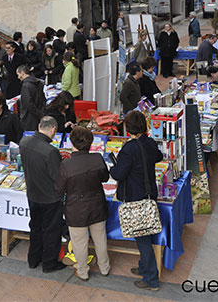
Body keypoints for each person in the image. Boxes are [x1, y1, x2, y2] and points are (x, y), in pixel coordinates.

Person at [109, 111, 163, 291]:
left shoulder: (129, 148)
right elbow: (159, 157)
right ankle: (143, 266)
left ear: (128, 127)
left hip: (135, 196)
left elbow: (118, 173)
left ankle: (151, 279)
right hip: (149, 194)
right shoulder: (149, 142)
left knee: (142, 239)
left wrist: (114, 166)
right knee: (145, 234)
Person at [55, 126, 110, 281]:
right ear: (90, 142)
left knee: (79, 242)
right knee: (100, 238)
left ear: (72, 142)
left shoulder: (66, 165)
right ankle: (105, 267)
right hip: (97, 205)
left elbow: (59, 189)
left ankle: (83, 271)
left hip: (76, 210)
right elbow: (105, 178)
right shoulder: (98, 158)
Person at [19, 116, 66, 273]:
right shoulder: (51, 151)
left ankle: (33, 259)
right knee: (51, 231)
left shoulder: (24, 142)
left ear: (39, 125)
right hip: (50, 198)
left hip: (32, 195)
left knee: (36, 227)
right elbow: (57, 178)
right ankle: (49, 263)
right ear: (53, 129)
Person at [17, 65, 45, 132]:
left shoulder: (26, 85)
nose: (18, 77)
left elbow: (28, 103)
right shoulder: (38, 82)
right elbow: (43, 98)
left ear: (22, 73)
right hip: (38, 114)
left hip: (29, 118)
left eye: (18, 74)